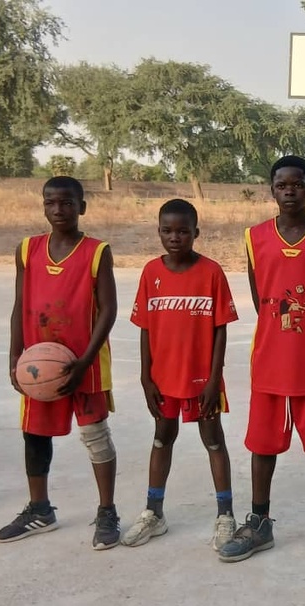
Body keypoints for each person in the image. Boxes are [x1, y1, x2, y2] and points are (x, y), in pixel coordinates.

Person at [218, 156, 305, 565]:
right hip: (270, 362)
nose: (290, 191)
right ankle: (259, 522)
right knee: (264, 445)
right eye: (282, 184)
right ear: (271, 190)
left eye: (298, 184)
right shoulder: (255, 236)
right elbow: (263, 297)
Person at [0, 176, 121, 550]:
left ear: (82, 207)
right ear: (43, 206)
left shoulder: (97, 251)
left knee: (95, 434)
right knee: (34, 435)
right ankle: (40, 508)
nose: (58, 210)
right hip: (39, 364)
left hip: (85, 362)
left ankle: (107, 511)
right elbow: (20, 305)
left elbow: (109, 310)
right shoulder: (27, 250)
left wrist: (84, 362)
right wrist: (14, 355)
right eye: (51, 203)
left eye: (67, 203)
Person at [122, 199, 239, 551]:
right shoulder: (149, 273)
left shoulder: (211, 272)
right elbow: (145, 328)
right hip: (163, 379)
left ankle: (225, 515)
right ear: (159, 232)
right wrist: (146, 378)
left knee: (213, 439)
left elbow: (220, 329)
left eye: (183, 231)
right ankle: (154, 513)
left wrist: (214, 379)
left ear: (196, 233)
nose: (175, 237)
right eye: (167, 231)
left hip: (201, 379)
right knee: (161, 438)